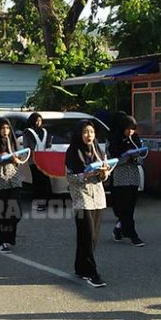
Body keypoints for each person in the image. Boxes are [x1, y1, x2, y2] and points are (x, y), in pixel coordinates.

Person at [66, 120, 110, 287]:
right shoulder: (72, 152)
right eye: (85, 132)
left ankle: (80, 267)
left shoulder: (98, 150)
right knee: (87, 235)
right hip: (81, 199)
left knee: (92, 237)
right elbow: (70, 177)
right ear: (79, 134)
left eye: (91, 132)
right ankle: (92, 273)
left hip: (98, 198)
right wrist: (87, 174)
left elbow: (103, 177)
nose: (89, 135)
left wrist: (104, 173)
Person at [0, 118, 24, 253]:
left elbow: (21, 160)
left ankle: (9, 237)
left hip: (14, 180)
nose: (5, 131)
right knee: (0, 212)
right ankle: (2, 241)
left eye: (7, 128)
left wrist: (15, 159)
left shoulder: (13, 142)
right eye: (2, 128)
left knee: (16, 212)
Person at [109, 115, 145, 247]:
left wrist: (137, 158)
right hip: (121, 178)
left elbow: (142, 156)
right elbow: (112, 160)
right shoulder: (114, 140)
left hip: (133, 177)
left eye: (133, 129)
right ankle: (132, 234)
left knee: (130, 208)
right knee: (124, 208)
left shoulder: (135, 139)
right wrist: (126, 159)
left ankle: (118, 229)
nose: (131, 132)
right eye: (128, 129)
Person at [23, 112, 53, 211]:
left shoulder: (44, 131)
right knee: (37, 181)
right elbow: (26, 146)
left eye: (40, 121)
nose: (38, 123)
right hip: (34, 161)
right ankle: (39, 202)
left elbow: (48, 144)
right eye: (36, 120)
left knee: (45, 181)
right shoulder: (27, 132)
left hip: (44, 160)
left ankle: (46, 201)